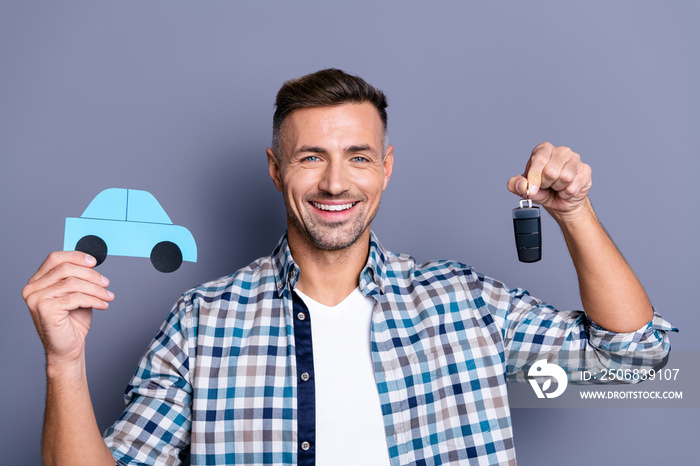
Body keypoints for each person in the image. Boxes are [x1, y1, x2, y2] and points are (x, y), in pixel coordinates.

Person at [23, 68, 676, 466]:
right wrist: (64, 362)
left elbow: (633, 360)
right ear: (276, 170)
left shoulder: (465, 303)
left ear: (386, 169)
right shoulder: (201, 325)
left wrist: (575, 212)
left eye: (358, 157)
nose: (336, 182)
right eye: (310, 158)